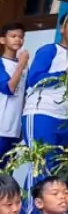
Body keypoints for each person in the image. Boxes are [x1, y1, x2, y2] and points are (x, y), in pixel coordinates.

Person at [21, 13, 68, 214]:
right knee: (39, 166)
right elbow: (34, 79)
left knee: (55, 170)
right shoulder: (49, 50)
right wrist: (65, 74)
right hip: (41, 113)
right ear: (62, 28)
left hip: (63, 119)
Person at [0, 23, 28, 164]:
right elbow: (9, 88)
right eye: (13, 36)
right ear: (2, 40)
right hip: (1, 128)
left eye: (21, 37)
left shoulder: (23, 67)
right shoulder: (1, 63)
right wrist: (21, 65)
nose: (18, 39)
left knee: (6, 174)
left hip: (15, 130)